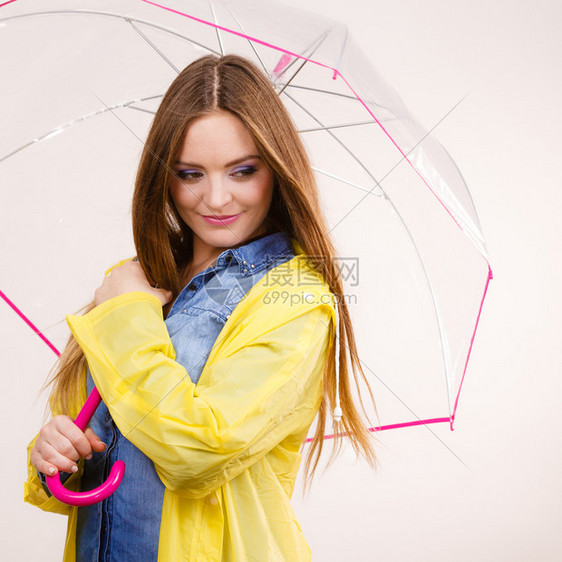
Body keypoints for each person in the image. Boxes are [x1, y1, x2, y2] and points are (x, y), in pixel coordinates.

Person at [24, 54, 379, 561]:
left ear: (275, 170)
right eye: (191, 174)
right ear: (162, 179)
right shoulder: (140, 280)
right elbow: (101, 441)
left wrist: (125, 315)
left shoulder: (294, 297)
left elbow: (198, 452)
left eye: (242, 171)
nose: (216, 198)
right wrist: (56, 455)